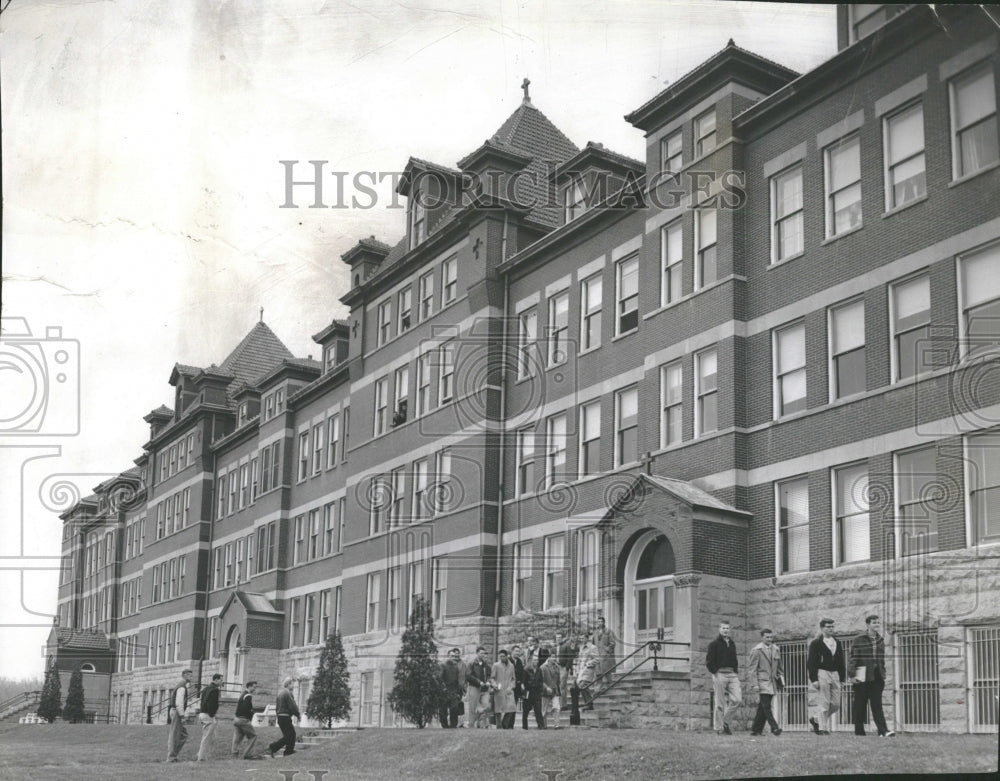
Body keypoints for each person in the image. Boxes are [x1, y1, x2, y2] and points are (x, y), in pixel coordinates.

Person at [849, 615, 895, 737]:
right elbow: (853, 657)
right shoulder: (859, 639)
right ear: (868, 624)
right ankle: (859, 732)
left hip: (877, 677)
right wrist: (852, 675)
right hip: (862, 676)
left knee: (877, 705)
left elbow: (881, 659)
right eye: (874, 623)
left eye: (878, 623)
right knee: (860, 705)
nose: (877, 625)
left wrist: (883, 673)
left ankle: (883, 731)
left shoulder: (880, 640)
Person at [807, 618, 845, 735]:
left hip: (835, 674)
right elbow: (811, 662)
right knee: (824, 702)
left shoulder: (837, 642)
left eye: (832, 626)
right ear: (822, 628)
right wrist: (814, 679)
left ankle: (816, 719)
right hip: (822, 672)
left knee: (835, 704)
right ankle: (823, 728)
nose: (831, 629)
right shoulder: (816, 643)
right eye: (828, 627)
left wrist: (842, 678)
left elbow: (841, 661)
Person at [705, 620, 742, 735]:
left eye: (727, 628)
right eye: (723, 628)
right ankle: (718, 728)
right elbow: (709, 661)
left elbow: (734, 658)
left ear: (729, 630)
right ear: (719, 629)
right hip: (719, 674)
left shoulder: (732, 643)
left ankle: (725, 721)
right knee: (720, 702)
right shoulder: (714, 644)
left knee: (737, 700)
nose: (726, 630)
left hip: (732, 674)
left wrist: (735, 671)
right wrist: (715, 672)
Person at [746, 629, 784, 737]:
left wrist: (781, 680)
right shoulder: (756, 650)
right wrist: (754, 684)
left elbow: (780, 668)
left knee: (762, 707)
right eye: (767, 637)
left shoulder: (776, 649)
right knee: (766, 706)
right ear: (762, 637)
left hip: (772, 682)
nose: (769, 639)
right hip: (762, 682)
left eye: (771, 637)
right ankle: (775, 727)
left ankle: (756, 730)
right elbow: (752, 669)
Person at [267, 677, 300, 757]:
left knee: (288, 736)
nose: (293, 685)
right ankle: (284, 750)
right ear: (288, 684)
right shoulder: (288, 693)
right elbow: (292, 706)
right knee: (291, 735)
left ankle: (280, 749)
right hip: (285, 717)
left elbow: (277, 707)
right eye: (292, 683)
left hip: (280, 717)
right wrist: (298, 714)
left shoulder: (280, 693)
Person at [166, 669, 193, 762]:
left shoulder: (181, 686)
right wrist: (182, 715)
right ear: (184, 675)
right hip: (177, 711)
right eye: (189, 675)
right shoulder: (182, 687)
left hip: (175, 711)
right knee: (175, 735)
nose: (191, 677)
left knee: (183, 735)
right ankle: (171, 757)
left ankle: (173, 755)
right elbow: (179, 702)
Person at [196, 673, 223, 761]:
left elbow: (203, 700)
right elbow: (212, 703)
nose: (222, 681)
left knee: (207, 736)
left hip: (202, 713)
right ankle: (202, 757)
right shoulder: (215, 690)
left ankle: (201, 755)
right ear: (215, 679)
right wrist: (212, 714)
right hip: (208, 714)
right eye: (220, 679)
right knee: (207, 737)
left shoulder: (206, 688)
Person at [232, 681, 261, 759]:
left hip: (236, 718)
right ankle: (246, 755)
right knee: (253, 736)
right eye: (254, 687)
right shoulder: (248, 695)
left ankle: (234, 754)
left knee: (237, 737)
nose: (255, 689)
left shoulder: (242, 694)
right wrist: (250, 716)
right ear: (249, 686)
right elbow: (246, 709)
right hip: (243, 719)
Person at [490, 648, 518, 729]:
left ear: (507, 656)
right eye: (500, 656)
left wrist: (511, 687)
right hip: (499, 690)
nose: (501, 658)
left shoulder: (511, 666)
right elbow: (492, 678)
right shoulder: (496, 665)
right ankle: (499, 726)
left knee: (512, 707)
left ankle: (505, 724)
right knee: (498, 709)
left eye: (503, 656)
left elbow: (513, 679)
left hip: (508, 690)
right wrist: (494, 685)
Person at [439, 647, 466, 728]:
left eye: (455, 656)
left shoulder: (455, 667)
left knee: (454, 708)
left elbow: (457, 680)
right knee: (443, 710)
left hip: (454, 691)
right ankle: (445, 726)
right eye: (451, 656)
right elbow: (439, 678)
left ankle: (453, 726)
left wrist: (458, 692)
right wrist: (443, 688)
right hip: (444, 691)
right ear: (448, 656)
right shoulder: (442, 665)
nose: (453, 658)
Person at [466, 647, 492, 728]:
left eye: (484, 653)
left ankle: (481, 724)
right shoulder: (471, 663)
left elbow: (489, 675)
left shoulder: (486, 665)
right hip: (474, 687)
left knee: (486, 705)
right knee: (473, 707)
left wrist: (488, 681)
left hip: (484, 689)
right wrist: (479, 682)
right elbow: (469, 676)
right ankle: (471, 725)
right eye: (481, 653)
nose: (483, 655)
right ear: (477, 653)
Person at [540, 646, 562, 728]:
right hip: (545, 691)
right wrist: (546, 687)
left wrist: (557, 688)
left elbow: (558, 680)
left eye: (555, 657)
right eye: (552, 657)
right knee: (544, 709)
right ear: (549, 657)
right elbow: (540, 680)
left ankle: (556, 725)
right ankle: (543, 725)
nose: (554, 659)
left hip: (555, 690)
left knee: (556, 707)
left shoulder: (557, 667)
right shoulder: (543, 667)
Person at [575, 636, 599, 708]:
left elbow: (597, 659)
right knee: (582, 687)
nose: (582, 640)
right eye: (581, 638)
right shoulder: (581, 648)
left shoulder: (592, 647)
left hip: (588, 670)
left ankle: (589, 703)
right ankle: (589, 703)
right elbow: (579, 660)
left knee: (583, 685)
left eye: (583, 638)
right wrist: (577, 670)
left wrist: (588, 663)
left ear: (587, 638)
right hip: (581, 671)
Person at [510, 645, 526, 728]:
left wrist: (522, 683)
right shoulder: (508, 661)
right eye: (516, 651)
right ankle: (506, 725)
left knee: (514, 706)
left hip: (517, 687)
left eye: (518, 651)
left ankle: (511, 725)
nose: (517, 653)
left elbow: (522, 674)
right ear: (512, 651)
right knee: (509, 706)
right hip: (509, 687)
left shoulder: (519, 661)